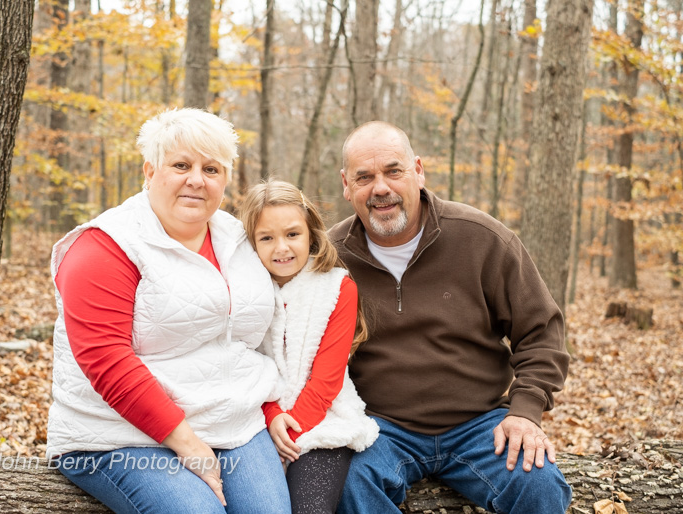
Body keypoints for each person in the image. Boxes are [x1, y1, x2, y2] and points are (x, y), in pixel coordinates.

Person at [46, 108, 290, 513]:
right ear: (150, 170)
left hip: (233, 424)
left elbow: (260, 335)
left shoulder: (241, 237)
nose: (197, 179)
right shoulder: (105, 245)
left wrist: (271, 406)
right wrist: (189, 445)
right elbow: (105, 360)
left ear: (226, 179)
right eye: (181, 165)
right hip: (117, 434)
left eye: (211, 169)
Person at [329, 121, 572, 514]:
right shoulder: (329, 258)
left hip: (480, 425)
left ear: (418, 170)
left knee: (540, 486)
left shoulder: (481, 239)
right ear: (346, 183)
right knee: (344, 485)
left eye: (394, 171)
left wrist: (526, 412)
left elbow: (542, 332)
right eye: (364, 177)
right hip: (380, 428)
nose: (381, 188)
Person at [239, 180, 379, 514]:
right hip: (257, 421)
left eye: (292, 234)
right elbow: (241, 364)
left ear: (311, 233)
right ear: (251, 243)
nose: (281, 248)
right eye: (266, 238)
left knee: (310, 508)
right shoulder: (245, 292)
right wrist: (272, 416)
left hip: (323, 419)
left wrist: (291, 429)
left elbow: (327, 380)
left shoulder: (336, 288)